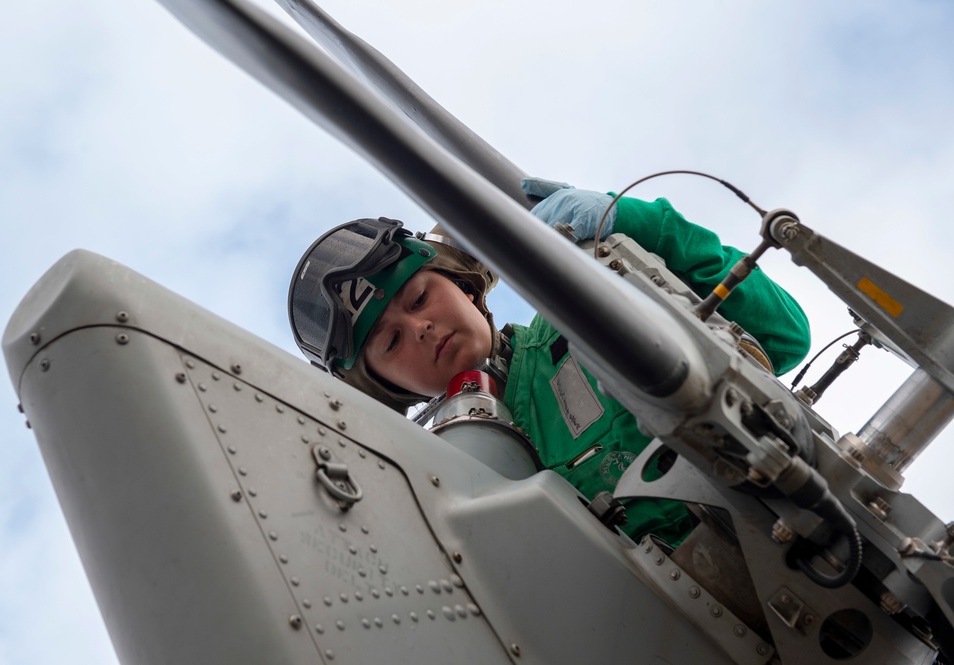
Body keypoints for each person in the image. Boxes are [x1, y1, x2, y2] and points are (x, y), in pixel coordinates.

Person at [288, 179, 811, 546]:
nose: (420, 328)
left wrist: (637, 227)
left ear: (463, 285)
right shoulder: (436, 487)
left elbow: (782, 336)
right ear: (385, 384)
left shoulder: (580, 310)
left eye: (420, 298)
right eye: (391, 341)